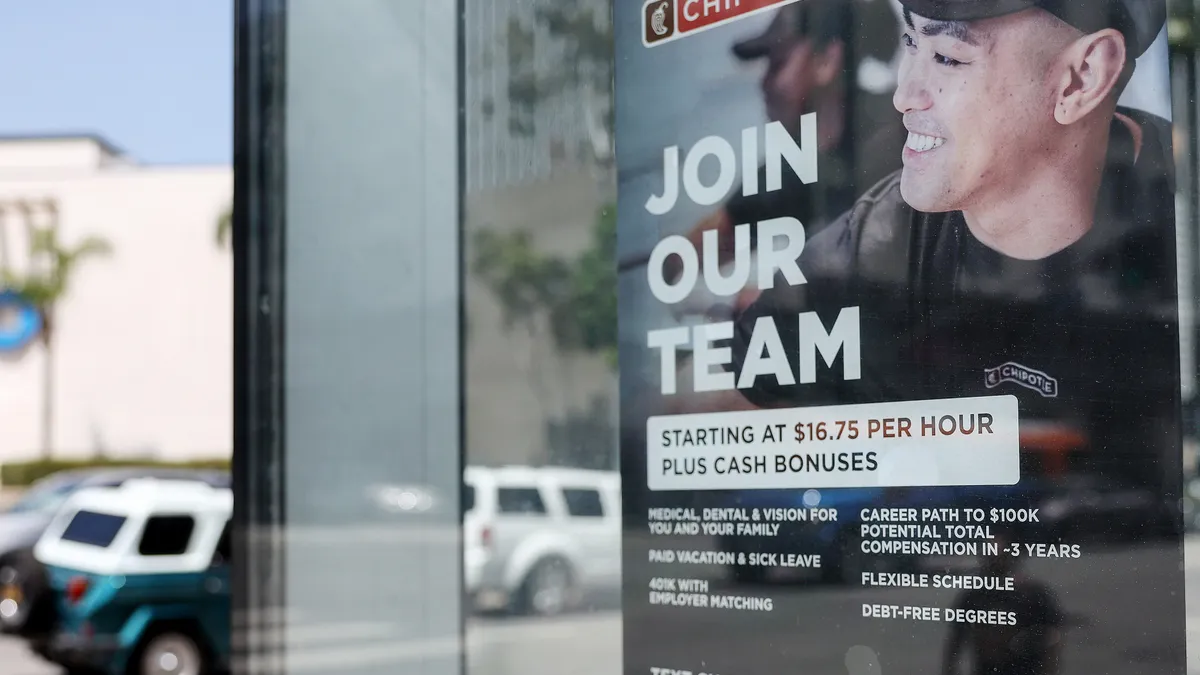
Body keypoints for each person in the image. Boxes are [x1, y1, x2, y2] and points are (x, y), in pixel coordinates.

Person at [715, 0, 1180, 489]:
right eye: (912, 43)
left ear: (1081, 78)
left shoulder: (1175, 216)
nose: (904, 95)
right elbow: (736, 391)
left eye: (950, 58)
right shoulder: (872, 240)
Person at [661, 0, 907, 286]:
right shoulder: (795, 167)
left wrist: (773, 300)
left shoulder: (900, 139)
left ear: (826, 60)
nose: (764, 84)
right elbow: (702, 245)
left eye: (778, 64)